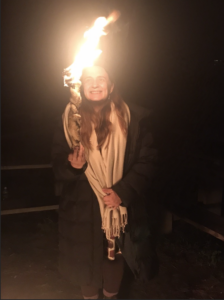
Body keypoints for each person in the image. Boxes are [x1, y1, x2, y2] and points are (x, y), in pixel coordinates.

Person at [51, 64, 158, 299]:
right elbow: (57, 163)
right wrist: (72, 166)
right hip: (81, 207)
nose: (96, 83)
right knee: (85, 259)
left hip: (117, 203)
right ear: (80, 85)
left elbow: (147, 160)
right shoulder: (69, 120)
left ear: (111, 86)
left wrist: (122, 191)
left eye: (102, 79)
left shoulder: (134, 118)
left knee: (115, 253)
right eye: (89, 79)